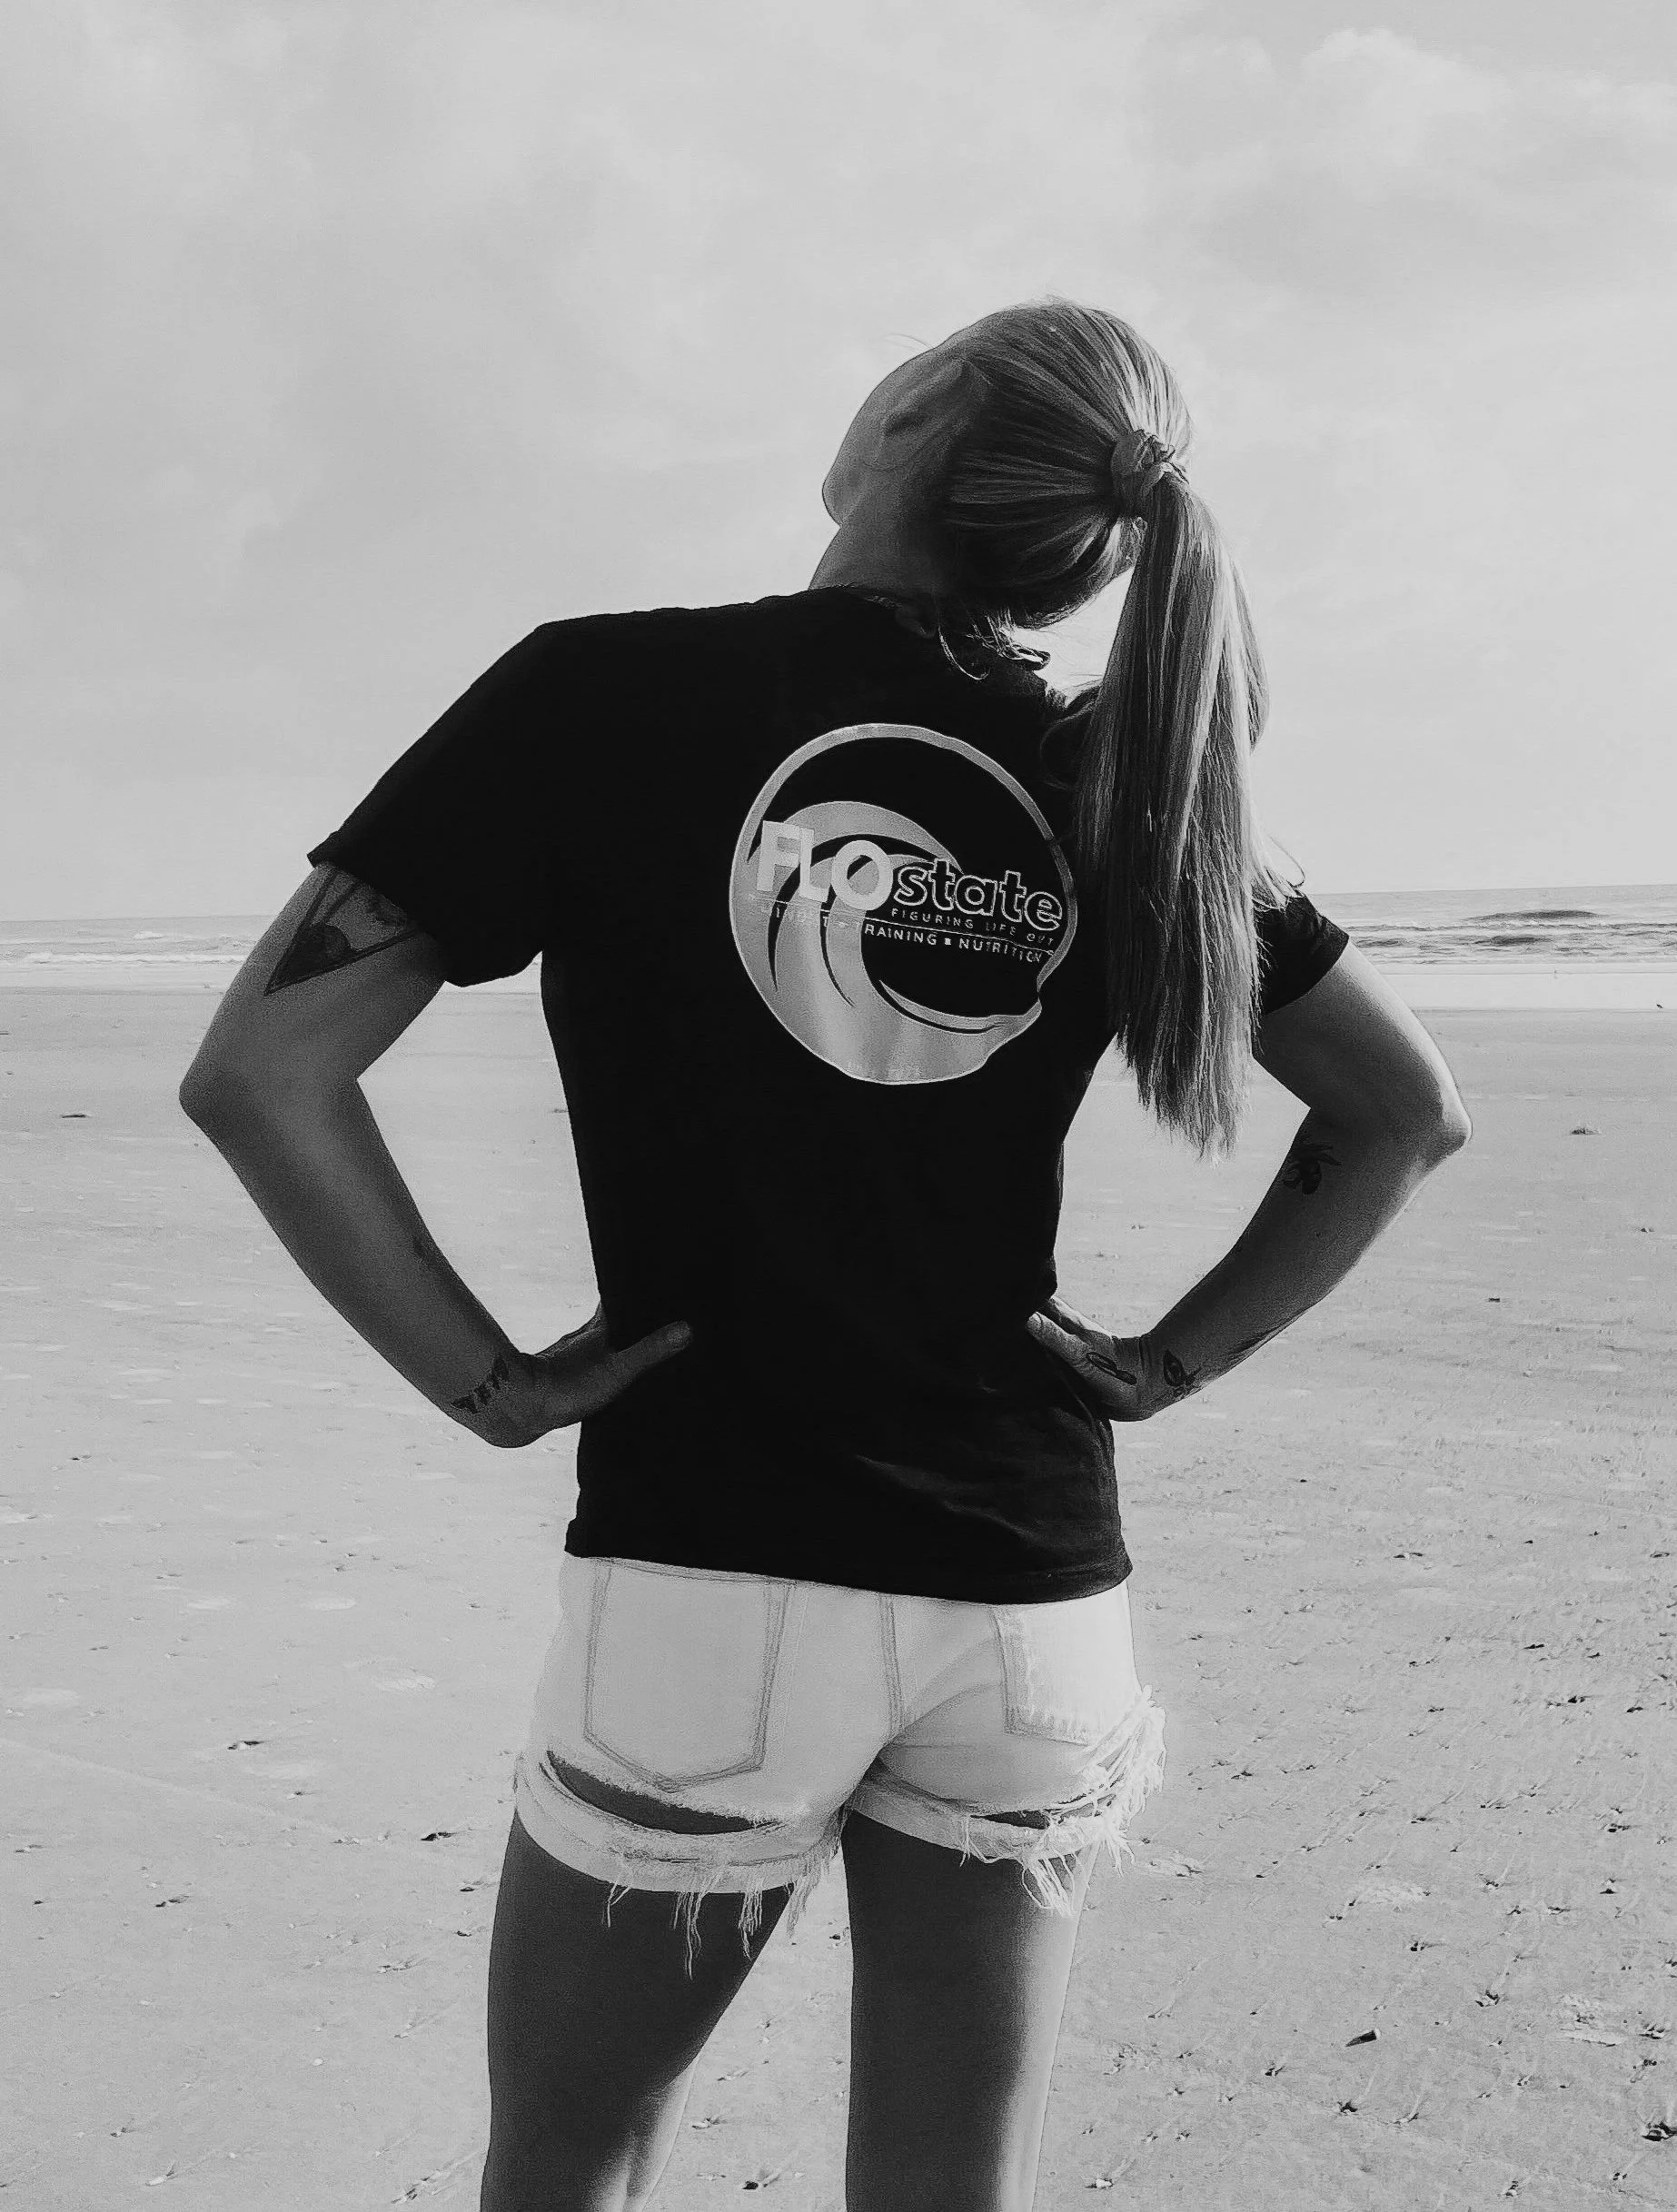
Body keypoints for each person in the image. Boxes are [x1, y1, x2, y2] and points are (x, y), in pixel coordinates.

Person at [179, 299, 1471, 2212]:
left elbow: (262, 1073)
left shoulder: (595, 698)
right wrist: (1165, 1359)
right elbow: (1395, 1109)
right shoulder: (1128, 771)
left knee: (568, 2163)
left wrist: (489, 1380)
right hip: (1032, 1603)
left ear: (915, 411)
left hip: (713, 1574)